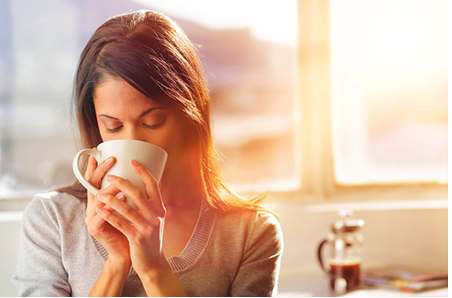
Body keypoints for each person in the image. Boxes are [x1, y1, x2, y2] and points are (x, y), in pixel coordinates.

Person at [12, 10, 283, 297]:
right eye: (113, 126)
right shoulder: (52, 220)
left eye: (152, 122)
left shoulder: (251, 233)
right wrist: (117, 264)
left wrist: (153, 269)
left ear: (188, 117)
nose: (132, 142)